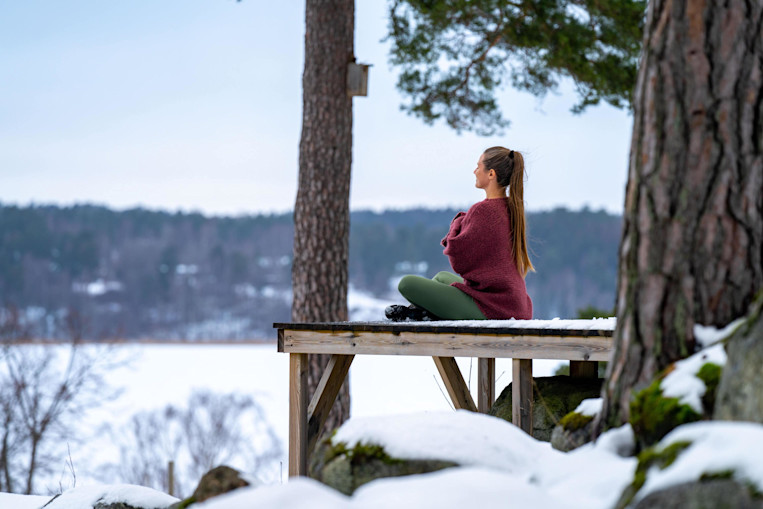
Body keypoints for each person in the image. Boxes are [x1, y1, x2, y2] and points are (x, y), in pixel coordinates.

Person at [385, 146, 533, 321]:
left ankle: (423, 312)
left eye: (478, 166)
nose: (474, 171)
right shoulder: (510, 207)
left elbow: (460, 262)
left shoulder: (483, 210)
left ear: (491, 174)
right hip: (513, 304)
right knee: (441, 277)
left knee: (406, 284)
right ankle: (424, 313)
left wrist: (457, 223)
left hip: (494, 310)